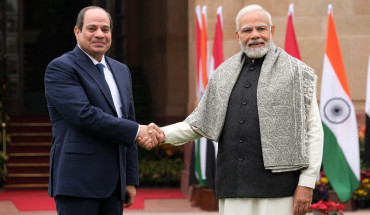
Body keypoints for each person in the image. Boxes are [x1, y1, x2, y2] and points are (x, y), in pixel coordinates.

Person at [140, 4, 324, 215]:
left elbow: (314, 132)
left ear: (272, 31)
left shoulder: (297, 73)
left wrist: (307, 182)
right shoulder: (223, 74)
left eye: (261, 28)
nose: (255, 35)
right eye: (247, 30)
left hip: (281, 189)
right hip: (234, 187)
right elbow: (198, 123)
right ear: (238, 35)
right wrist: (163, 134)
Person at [44, 6, 159, 215]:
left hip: (114, 187)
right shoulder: (60, 68)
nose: (99, 34)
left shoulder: (122, 71)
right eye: (92, 28)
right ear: (77, 32)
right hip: (78, 184)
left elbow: (128, 120)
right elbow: (85, 116)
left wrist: (130, 179)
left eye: (105, 29)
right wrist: (138, 131)